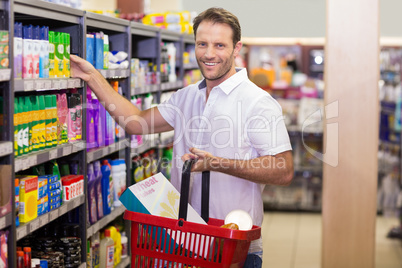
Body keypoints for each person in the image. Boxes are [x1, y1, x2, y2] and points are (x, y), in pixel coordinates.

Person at [71, 7, 293, 267]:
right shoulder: (186, 97)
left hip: (234, 248)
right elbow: (136, 123)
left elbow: (283, 170)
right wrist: (92, 77)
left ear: (236, 49)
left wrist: (216, 163)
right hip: (183, 244)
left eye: (219, 45)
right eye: (202, 44)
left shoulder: (257, 102)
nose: (209, 54)